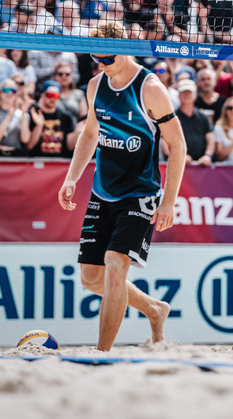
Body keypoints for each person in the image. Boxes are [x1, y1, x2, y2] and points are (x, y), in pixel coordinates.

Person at [57, 19, 186, 352]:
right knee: (90, 278)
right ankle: (155, 309)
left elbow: (178, 146)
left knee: (115, 266)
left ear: (125, 49)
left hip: (140, 193)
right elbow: (89, 134)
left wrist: (169, 201)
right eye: (96, 60)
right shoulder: (96, 86)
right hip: (103, 191)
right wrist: (72, 176)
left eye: (107, 60)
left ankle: (101, 356)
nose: (101, 65)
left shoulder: (150, 88)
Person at [22, 81, 76, 157]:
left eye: (56, 96)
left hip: (59, 164)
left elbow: (70, 147)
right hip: (37, 162)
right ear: (42, 95)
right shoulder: (33, 114)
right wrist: (39, 125)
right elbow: (29, 146)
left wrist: (78, 132)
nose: (52, 99)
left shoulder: (66, 117)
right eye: (49, 95)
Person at [172, 79, 215, 165]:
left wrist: (207, 156)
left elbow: (210, 139)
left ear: (195, 95)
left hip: (201, 166)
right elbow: (166, 143)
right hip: (178, 165)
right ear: (179, 95)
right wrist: (180, 156)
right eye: (184, 92)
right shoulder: (172, 118)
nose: (186, 95)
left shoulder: (204, 117)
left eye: (189, 92)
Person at [0, 79, 26, 157]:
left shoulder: (21, 114)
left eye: (13, 91)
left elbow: (25, 139)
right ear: (0, 93)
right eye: (6, 90)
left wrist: (23, 115)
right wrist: (9, 116)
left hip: (16, 156)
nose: (9, 93)